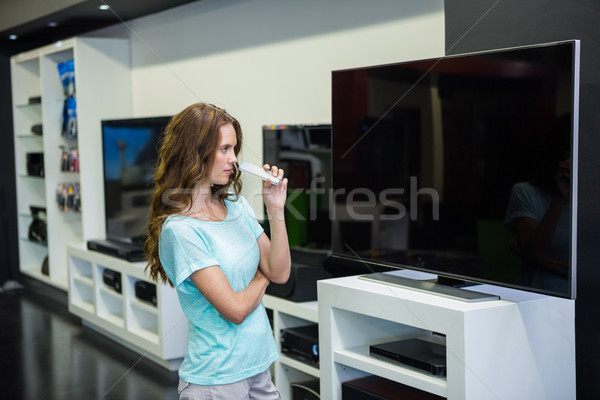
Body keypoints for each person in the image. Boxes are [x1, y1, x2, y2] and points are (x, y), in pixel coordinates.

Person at [144, 103, 290, 399]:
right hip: (215, 380)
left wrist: (276, 210)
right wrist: (263, 278)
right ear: (194, 152)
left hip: (258, 365)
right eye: (224, 148)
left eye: (234, 149)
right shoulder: (180, 230)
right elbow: (234, 310)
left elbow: (281, 272)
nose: (233, 159)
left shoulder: (236, 205)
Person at [504, 115, 571, 293]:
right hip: (537, 301)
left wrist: (537, 259)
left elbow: (590, 269)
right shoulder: (525, 193)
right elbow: (535, 252)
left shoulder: (591, 202)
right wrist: (559, 199)